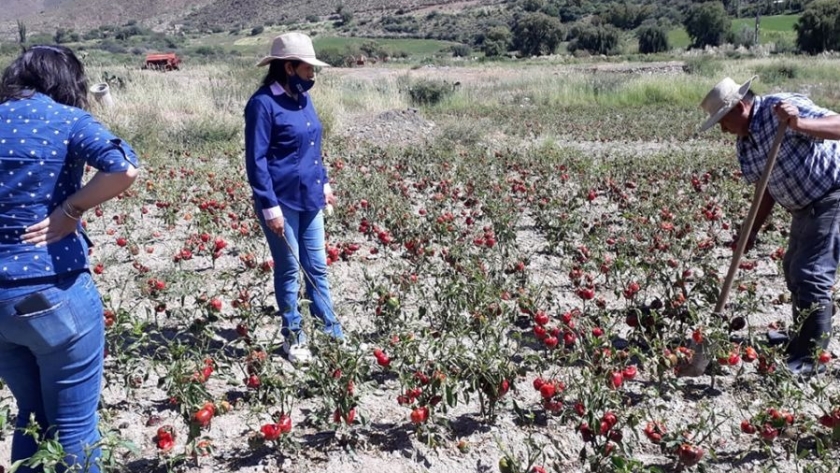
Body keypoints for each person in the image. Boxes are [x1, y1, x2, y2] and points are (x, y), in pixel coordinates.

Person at [0, 45, 139, 472]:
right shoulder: (66, 119)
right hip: (51, 289)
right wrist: (69, 211)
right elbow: (123, 167)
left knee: (31, 419)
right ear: (67, 82)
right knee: (74, 428)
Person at [699, 76, 840, 374]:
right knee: (793, 267)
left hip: (832, 194)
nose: (723, 129)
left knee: (811, 272)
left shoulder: (781, 107)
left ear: (739, 107)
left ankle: (812, 359)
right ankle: (802, 336)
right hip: (803, 206)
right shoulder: (745, 144)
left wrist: (799, 124)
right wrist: (750, 231)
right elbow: (766, 190)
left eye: (723, 120)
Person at [244, 32, 343, 363]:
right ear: (289, 67)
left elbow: (313, 148)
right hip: (281, 202)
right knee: (289, 270)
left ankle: (331, 334)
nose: (313, 75)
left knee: (317, 268)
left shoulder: (303, 99)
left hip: (311, 198)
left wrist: (324, 182)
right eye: (308, 69)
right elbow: (256, 160)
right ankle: (293, 337)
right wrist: (268, 205)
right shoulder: (263, 105)